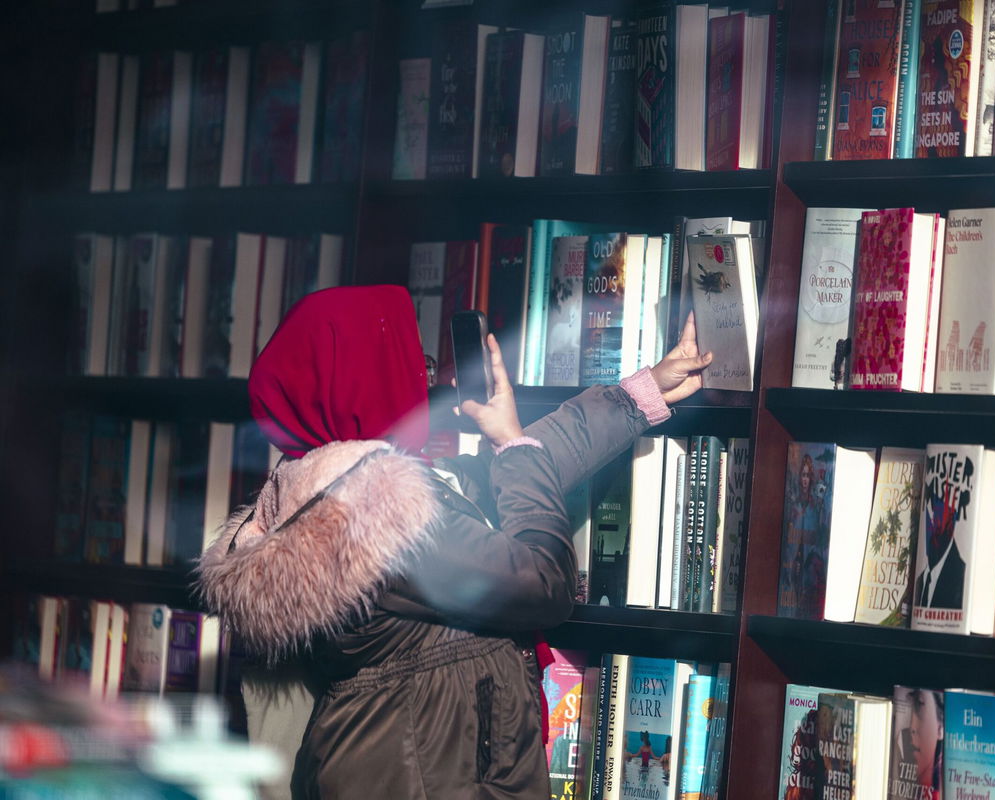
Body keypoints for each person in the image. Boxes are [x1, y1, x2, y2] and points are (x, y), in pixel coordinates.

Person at [197, 285, 712, 799]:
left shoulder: (323, 490)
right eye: (411, 361)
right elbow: (545, 581)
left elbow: (522, 468)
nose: (426, 377)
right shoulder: (376, 517)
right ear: (366, 377)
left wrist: (641, 395)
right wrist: (511, 444)